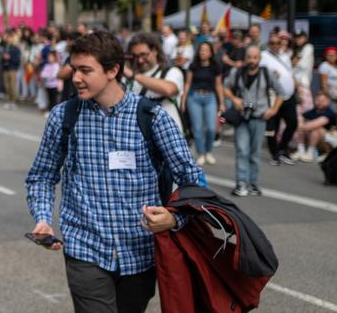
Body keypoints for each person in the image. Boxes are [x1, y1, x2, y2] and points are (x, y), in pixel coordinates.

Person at [25, 31, 203, 313]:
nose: (76, 78)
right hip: (85, 250)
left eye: (86, 70)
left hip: (140, 253)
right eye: (74, 69)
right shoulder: (64, 116)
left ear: (112, 70)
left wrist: (175, 218)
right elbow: (42, 176)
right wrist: (43, 219)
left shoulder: (153, 118)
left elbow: (193, 180)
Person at [223, 46, 282, 197]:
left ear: (259, 59)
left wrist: (273, 110)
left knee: (255, 153)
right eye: (249, 57)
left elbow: (281, 92)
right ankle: (241, 183)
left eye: (255, 57)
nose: (251, 60)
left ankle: (253, 183)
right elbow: (225, 88)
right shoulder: (237, 72)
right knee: (242, 150)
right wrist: (234, 99)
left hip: (260, 117)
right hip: (242, 117)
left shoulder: (266, 73)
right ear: (245, 58)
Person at [123, 33, 184, 127]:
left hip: (169, 135)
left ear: (155, 51)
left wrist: (133, 76)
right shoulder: (127, 79)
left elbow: (170, 90)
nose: (140, 60)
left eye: (144, 55)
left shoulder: (172, 72)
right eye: (135, 56)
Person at [180, 41, 224, 166]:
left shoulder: (215, 66)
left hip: (210, 97)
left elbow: (219, 85)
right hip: (194, 97)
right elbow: (187, 84)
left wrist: (221, 102)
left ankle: (208, 151)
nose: (202, 52)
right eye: (201, 49)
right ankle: (201, 153)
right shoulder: (193, 66)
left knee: (211, 128)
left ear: (210, 52)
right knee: (197, 128)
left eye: (205, 50)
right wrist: (183, 100)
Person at [292, 92, 337, 163]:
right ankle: (301, 151)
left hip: (326, 142)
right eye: (318, 100)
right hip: (312, 138)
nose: (319, 103)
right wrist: (300, 121)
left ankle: (310, 153)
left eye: (322, 101)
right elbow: (301, 117)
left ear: (328, 102)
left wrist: (301, 125)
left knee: (316, 129)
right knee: (301, 121)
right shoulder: (314, 111)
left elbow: (315, 125)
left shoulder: (330, 113)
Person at [318, 47, 337, 128]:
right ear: (325, 56)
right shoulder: (324, 65)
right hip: (331, 96)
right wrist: (326, 96)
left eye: (333, 55)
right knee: (335, 114)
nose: (331, 56)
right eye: (329, 55)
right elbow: (323, 83)